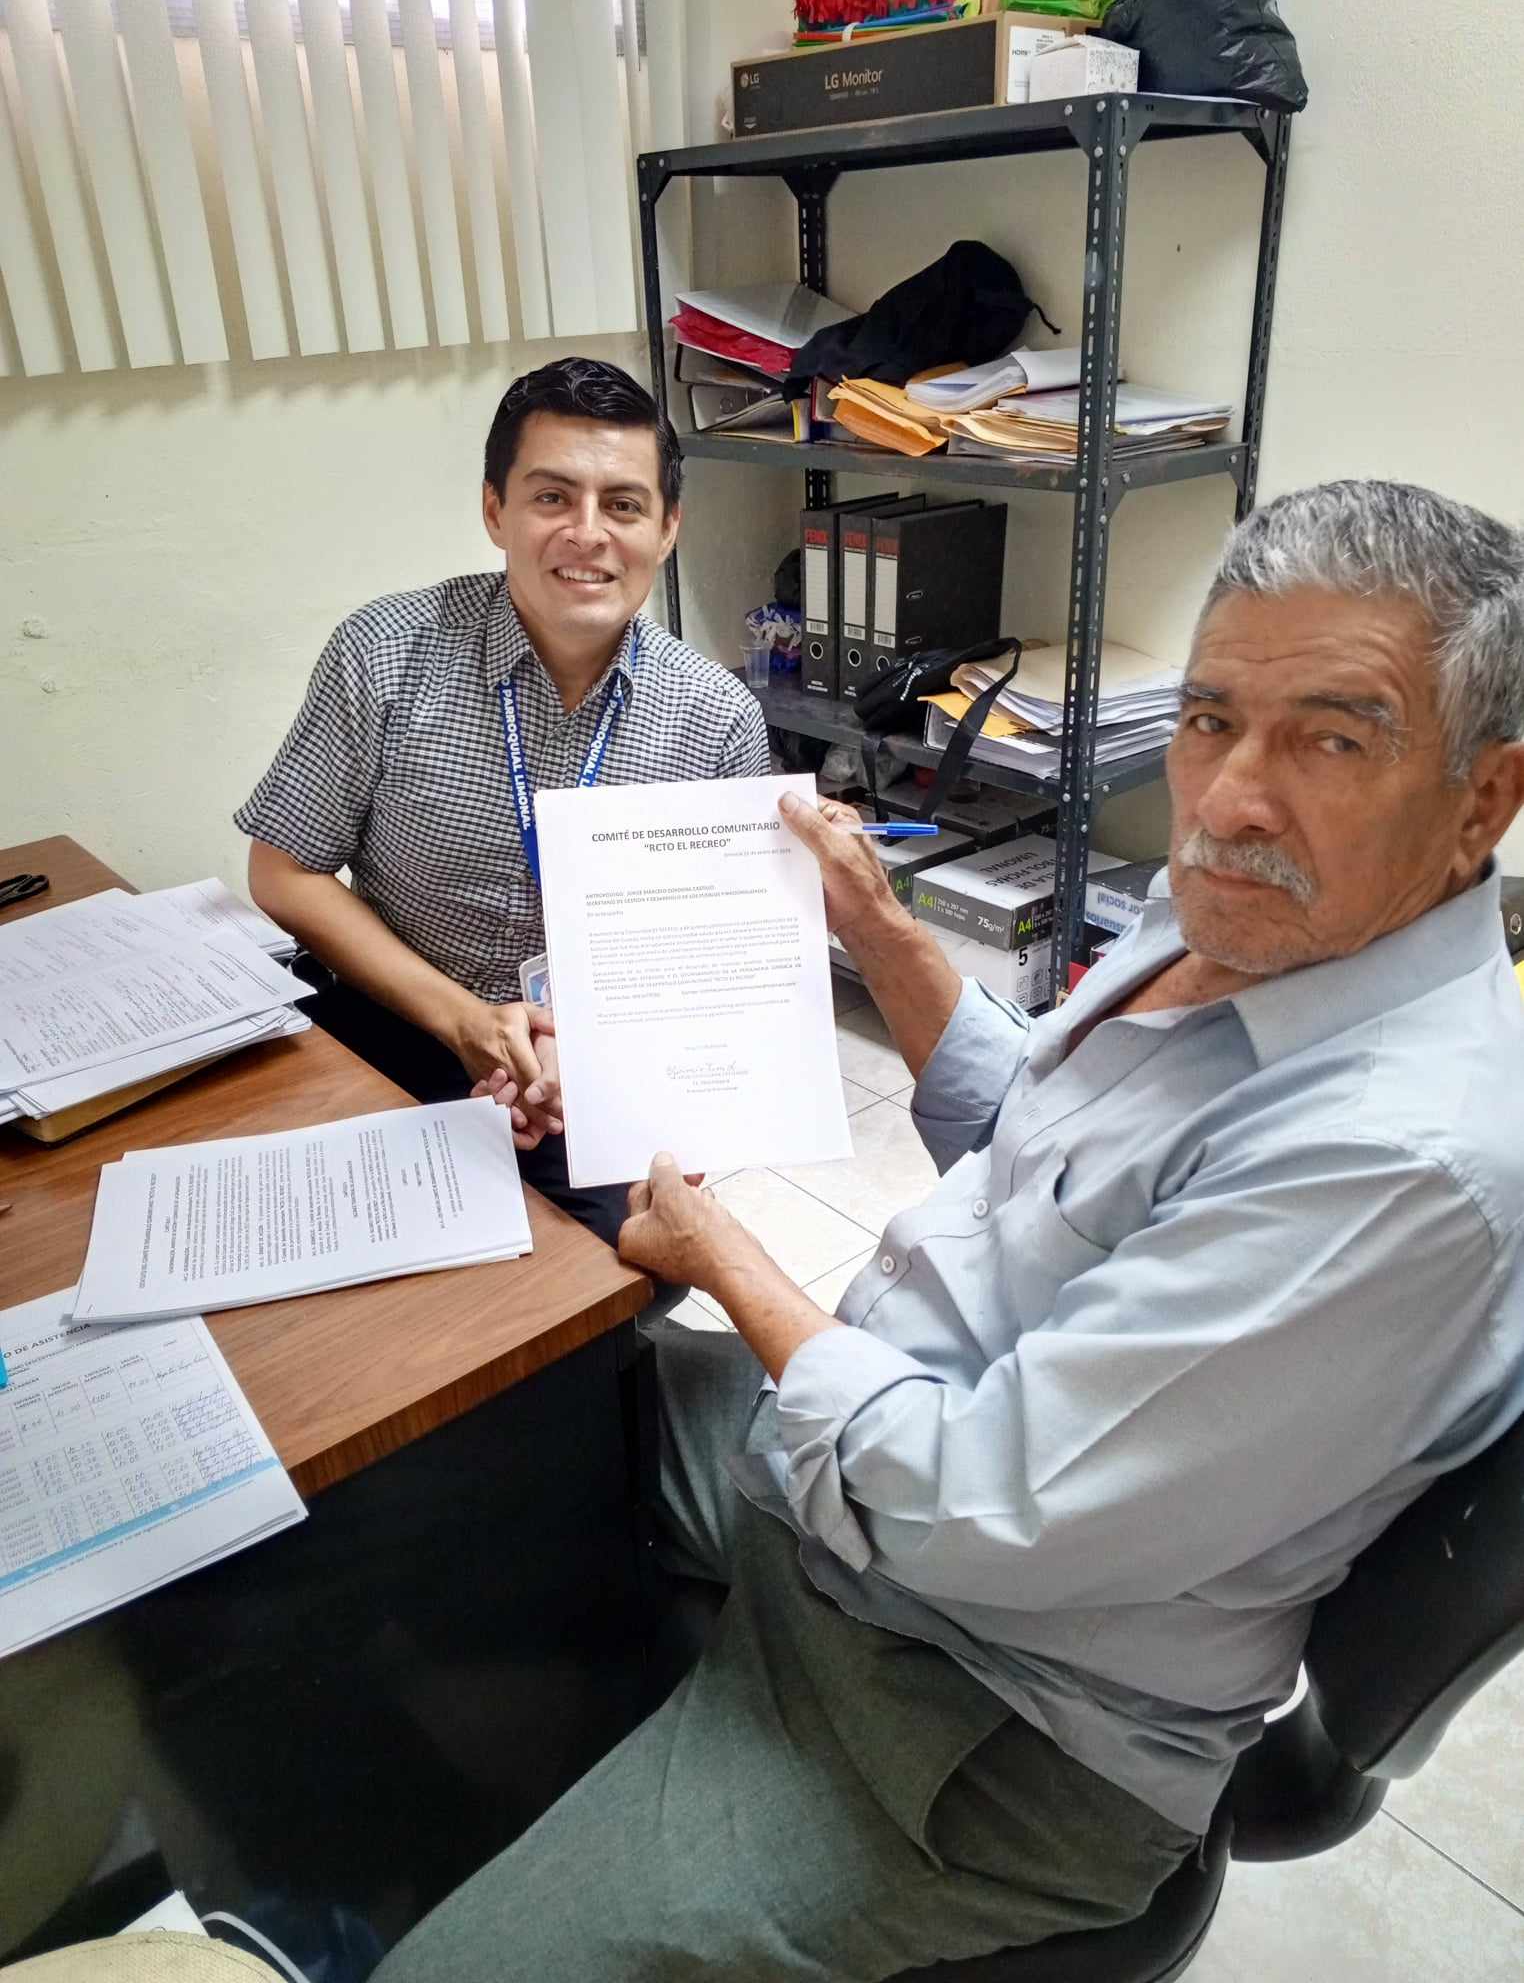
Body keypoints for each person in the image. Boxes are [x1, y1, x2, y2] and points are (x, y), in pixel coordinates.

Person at [372, 478, 1524, 1981]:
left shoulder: (1394, 1163)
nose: (1232, 798)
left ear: (1485, 800)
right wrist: (871, 919)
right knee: (466, 1435)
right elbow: (1034, 1123)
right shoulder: (1253, 913)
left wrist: (723, 1258)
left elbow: (978, 1506)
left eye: (1334, 739)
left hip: (986, 1699)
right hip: (868, 1473)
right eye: (1210, 719)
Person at [237, 358, 770, 1245]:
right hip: (394, 1020)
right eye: (552, 498)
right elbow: (283, 871)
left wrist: (601, 1068)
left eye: (624, 505)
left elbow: (719, 967)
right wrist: (465, 1022)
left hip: (592, 1069)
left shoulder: (717, 720)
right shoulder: (386, 652)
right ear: (496, 511)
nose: (588, 534)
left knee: (630, 1267)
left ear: (668, 528)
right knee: (310, 1244)